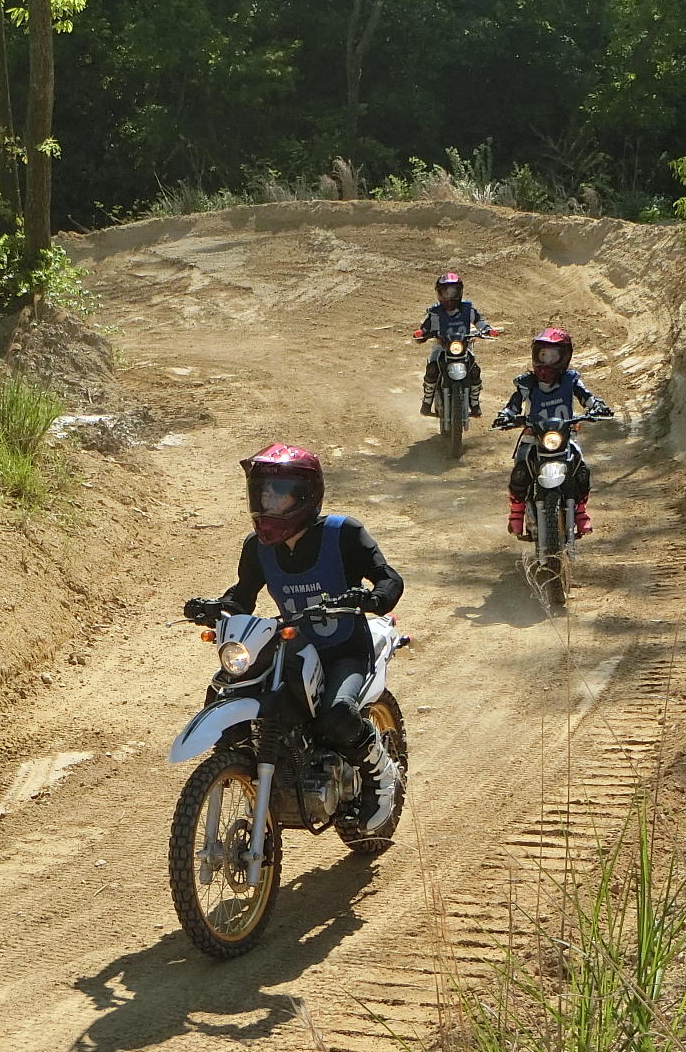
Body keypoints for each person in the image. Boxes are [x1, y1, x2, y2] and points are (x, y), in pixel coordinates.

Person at [184, 444, 406, 833]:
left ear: (305, 495)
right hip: (294, 648)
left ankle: (381, 776)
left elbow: (389, 579)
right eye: (261, 493)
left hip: (344, 651)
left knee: (336, 715)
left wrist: (373, 598)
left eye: (278, 492)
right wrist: (218, 606)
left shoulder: (343, 534)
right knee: (223, 691)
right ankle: (245, 768)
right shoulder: (257, 548)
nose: (267, 502)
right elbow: (243, 595)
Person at [492, 327, 606, 538]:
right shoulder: (526, 383)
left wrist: (597, 406)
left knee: (581, 470)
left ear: (564, 358)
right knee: (520, 472)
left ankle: (580, 511)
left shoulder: (570, 380)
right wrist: (506, 415)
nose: (547, 362)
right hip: (532, 438)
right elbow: (513, 405)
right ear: (535, 355)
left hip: (564, 439)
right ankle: (516, 513)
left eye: (553, 356)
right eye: (543, 355)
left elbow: (587, 397)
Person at [413, 272, 490, 417]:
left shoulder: (468, 309)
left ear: (459, 292)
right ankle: (427, 400)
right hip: (441, 346)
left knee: (474, 370)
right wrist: (421, 334)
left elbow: (480, 321)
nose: (449, 297)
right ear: (439, 293)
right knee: (432, 369)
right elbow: (424, 327)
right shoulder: (434, 312)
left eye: (453, 292)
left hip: (464, 346)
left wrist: (487, 330)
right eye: (445, 292)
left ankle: (474, 402)